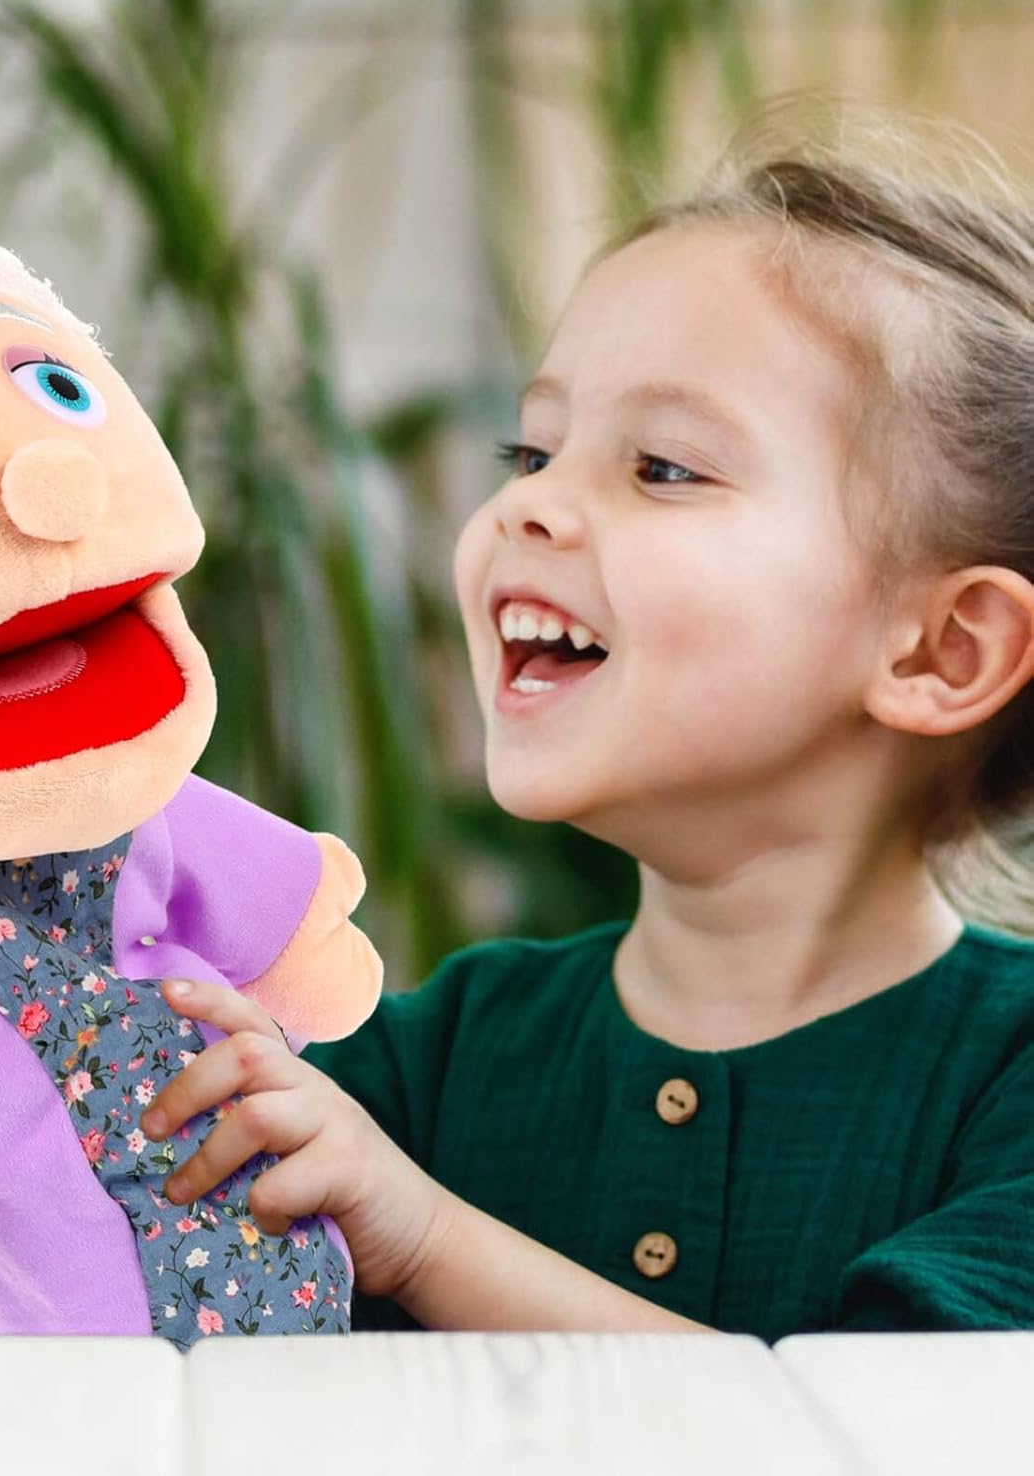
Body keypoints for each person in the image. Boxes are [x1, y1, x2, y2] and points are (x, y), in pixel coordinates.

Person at [138, 90, 1034, 1341]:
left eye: (663, 467)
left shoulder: (1010, 1078)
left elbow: (860, 1425)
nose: (528, 506)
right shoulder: (428, 1061)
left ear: (944, 651)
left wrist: (427, 1241)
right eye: (533, 452)